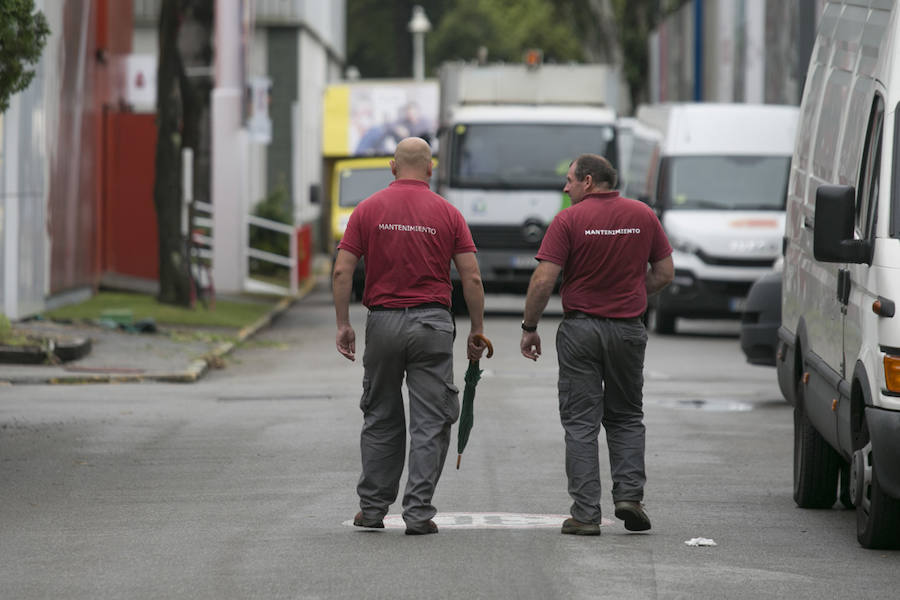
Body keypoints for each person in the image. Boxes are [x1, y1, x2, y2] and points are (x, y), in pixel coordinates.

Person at [333, 137, 487, 535]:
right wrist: (477, 329)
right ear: (430, 169)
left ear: (392, 167)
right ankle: (418, 513)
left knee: (381, 416)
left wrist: (343, 323)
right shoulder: (448, 213)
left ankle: (371, 510)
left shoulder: (367, 210)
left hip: (383, 324)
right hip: (433, 325)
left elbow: (341, 271)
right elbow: (470, 275)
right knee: (430, 421)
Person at [519, 154, 674, 536]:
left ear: (588, 181)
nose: (565, 187)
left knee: (581, 423)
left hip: (581, 331)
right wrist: (634, 291)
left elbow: (543, 280)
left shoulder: (569, 220)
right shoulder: (642, 215)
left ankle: (586, 515)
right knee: (625, 415)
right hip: (627, 330)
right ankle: (630, 497)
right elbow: (666, 273)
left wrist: (530, 326)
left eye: (570, 180)